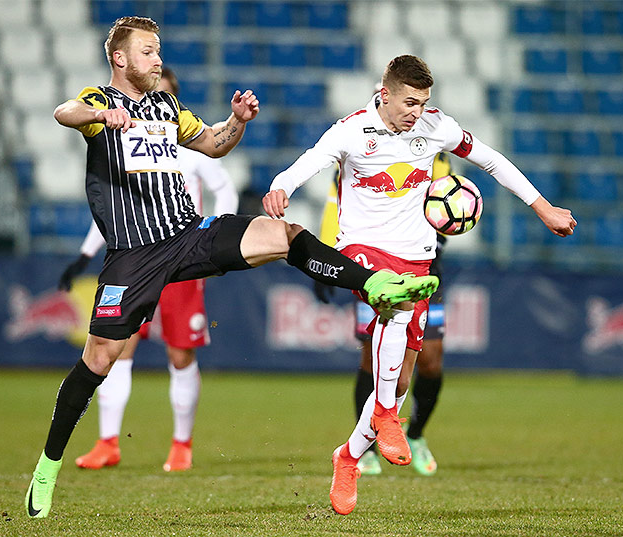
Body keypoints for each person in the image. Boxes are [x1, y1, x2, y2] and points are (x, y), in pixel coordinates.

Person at [25, 18, 439, 519]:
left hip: (188, 233)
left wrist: (237, 121)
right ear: (120, 59)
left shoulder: (165, 106)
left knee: (280, 232)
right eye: (149, 52)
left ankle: (373, 283)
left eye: (158, 51)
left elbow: (214, 144)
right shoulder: (96, 102)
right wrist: (103, 114)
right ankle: (47, 468)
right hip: (134, 256)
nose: (158, 60)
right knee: (98, 360)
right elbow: (63, 112)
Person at [262, 54, 576, 515]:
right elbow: (309, 161)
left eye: (424, 102)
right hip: (362, 252)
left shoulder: (435, 127)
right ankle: (387, 416)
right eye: (409, 102)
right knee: (393, 302)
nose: (417, 111)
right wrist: (280, 186)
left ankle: (348, 456)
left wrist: (542, 207)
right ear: (384, 93)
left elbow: (491, 160)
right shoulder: (352, 129)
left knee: (403, 373)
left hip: (418, 256)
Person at [57, 68, 239, 473]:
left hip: (181, 255)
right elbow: (112, 209)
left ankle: (181, 445)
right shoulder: (121, 141)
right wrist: (85, 256)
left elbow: (225, 187)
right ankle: (107, 442)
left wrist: (214, 239)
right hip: (137, 257)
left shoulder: (187, 147)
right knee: (117, 351)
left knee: (179, 353)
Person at [315, 152, 452, 478]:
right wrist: (324, 256)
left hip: (423, 264)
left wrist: (444, 230)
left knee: (430, 360)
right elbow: (337, 200)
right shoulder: (361, 150)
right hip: (373, 263)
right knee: (372, 360)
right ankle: (366, 450)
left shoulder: (435, 150)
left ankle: (416, 434)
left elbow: (447, 195)